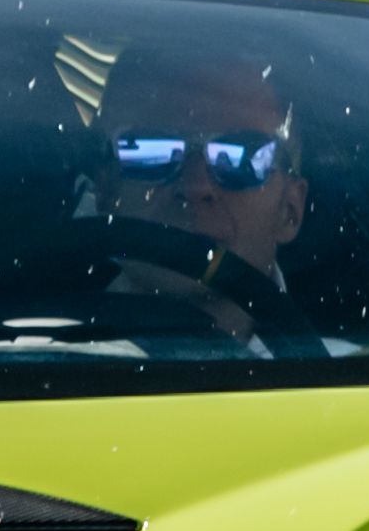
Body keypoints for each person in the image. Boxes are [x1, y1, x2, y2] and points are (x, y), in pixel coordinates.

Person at [93, 43, 309, 342]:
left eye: (240, 158)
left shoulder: (363, 374)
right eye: (151, 151)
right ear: (105, 190)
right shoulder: (17, 365)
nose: (196, 186)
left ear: (290, 210)